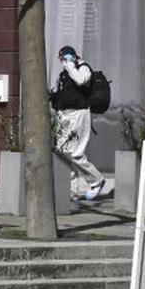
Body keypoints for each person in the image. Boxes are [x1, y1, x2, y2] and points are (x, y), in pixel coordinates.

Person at [50, 45, 106, 202]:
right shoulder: (64, 74)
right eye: (61, 59)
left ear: (72, 56)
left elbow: (81, 81)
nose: (62, 62)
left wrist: (70, 65)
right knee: (63, 153)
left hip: (78, 113)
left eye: (64, 58)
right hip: (64, 116)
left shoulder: (83, 68)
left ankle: (96, 180)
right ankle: (70, 191)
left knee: (75, 153)